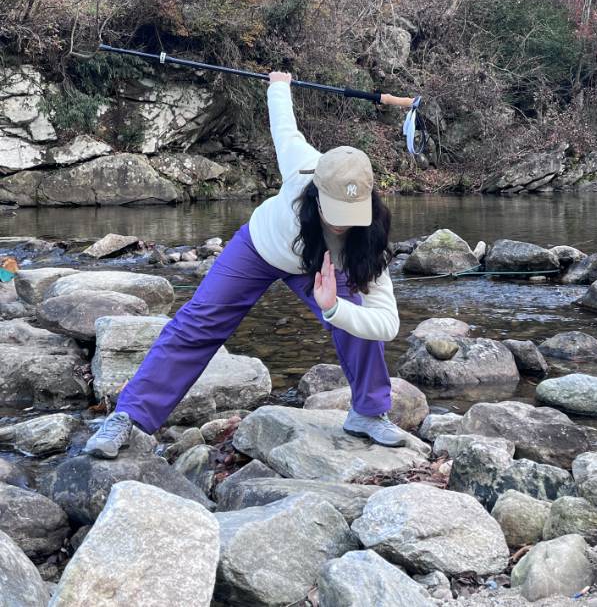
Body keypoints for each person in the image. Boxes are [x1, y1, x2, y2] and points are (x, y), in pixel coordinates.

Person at [84, 72, 405, 458]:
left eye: (351, 212)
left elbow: (386, 322)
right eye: (334, 210)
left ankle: (368, 413)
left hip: (317, 269)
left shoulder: (369, 237)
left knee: (357, 322)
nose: (341, 223)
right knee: (198, 323)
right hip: (260, 248)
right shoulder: (301, 166)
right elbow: (284, 127)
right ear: (315, 190)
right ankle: (129, 415)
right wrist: (278, 85)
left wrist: (335, 308)